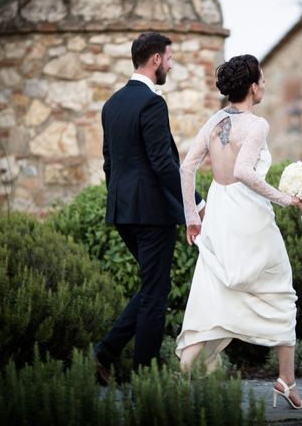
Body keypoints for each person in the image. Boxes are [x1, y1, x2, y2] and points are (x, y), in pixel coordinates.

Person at [177, 54, 302, 409]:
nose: (265, 86)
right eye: (263, 81)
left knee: (211, 292)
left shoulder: (214, 121)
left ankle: (179, 381)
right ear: (253, 88)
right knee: (282, 293)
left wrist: (193, 217)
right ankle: (286, 381)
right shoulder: (256, 125)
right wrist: (288, 200)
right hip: (249, 217)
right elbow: (245, 172)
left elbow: (186, 167)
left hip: (219, 215)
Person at [94, 32, 205, 382]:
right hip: (153, 214)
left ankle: (105, 354)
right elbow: (162, 163)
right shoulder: (152, 103)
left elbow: (109, 163)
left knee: (150, 286)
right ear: (155, 59)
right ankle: (145, 380)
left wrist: (120, 200)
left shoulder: (111, 104)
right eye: (169, 59)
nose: (170, 65)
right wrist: (195, 201)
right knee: (155, 295)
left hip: (123, 211)